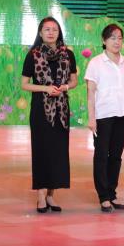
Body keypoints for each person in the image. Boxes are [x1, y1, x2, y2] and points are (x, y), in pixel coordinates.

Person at [20, 16, 78, 213]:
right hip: (40, 110)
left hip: (61, 110)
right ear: (40, 33)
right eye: (47, 29)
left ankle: (51, 195)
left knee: (58, 152)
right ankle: (41, 196)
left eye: (54, 29)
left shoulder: (68, 54)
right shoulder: (33, 55)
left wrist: (64, 87)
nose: (51, 32)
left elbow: (74, 81)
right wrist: (45, 88)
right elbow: (24, 84)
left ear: (59, 32)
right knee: (42, 151)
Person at [84, 24, 124, 212]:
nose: (117, 42)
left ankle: (112, 193)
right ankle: (103, 196)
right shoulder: (96, 63)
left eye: (120, 38)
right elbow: (90, 92)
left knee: (116, 156)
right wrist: (92, 118)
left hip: (122, 115)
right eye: (113, 38)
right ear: (104, 40)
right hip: (103, 116)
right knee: (101, 156)